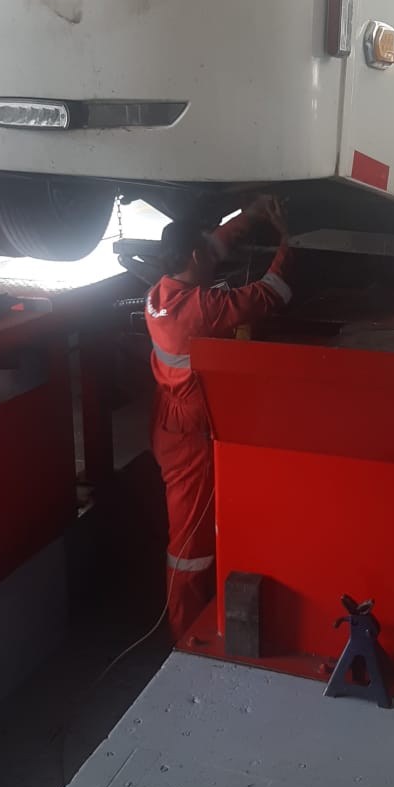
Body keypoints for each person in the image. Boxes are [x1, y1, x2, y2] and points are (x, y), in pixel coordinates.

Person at [145, 197, 291, 640]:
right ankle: (185, 631)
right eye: (205, 252)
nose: (213, 254)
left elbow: (211, 246)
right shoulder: (202, 309)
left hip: (170, 424)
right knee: (189, 545)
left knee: (194, 529)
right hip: (191, 438)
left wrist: (249, 217)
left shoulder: (161, 292)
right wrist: (288, 242)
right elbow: (269, 294)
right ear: (195, 256)